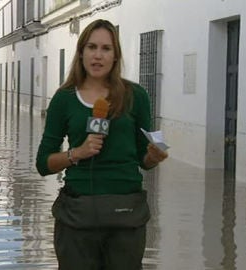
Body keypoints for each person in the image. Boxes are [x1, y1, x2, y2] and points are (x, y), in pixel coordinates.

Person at [36, 19, 168, 270]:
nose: (98, 55)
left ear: (116, 56)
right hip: (77, 215)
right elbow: (43, 164)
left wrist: (154, 156)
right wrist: (77, 153)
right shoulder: (64, 99)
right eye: (91, 47)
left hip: (126, 214)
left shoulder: (136, 96)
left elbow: (144, 159)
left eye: (106, 49)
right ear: (81, 52)